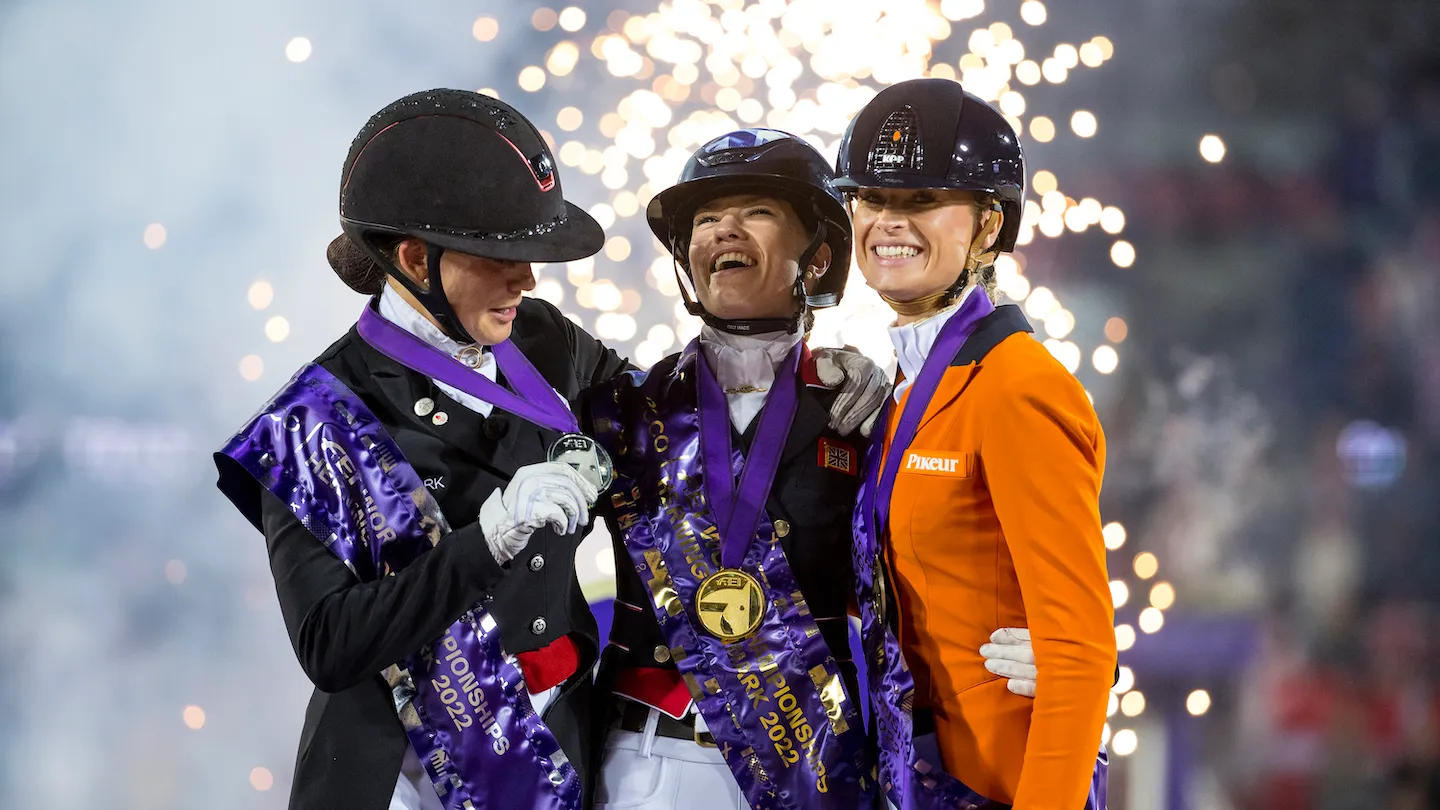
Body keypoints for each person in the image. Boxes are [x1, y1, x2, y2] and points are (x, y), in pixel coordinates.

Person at [214, 90, 889, 810]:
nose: (529, 279)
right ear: (415, 258)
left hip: (558, 758)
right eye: (504, 256)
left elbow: (681, 413)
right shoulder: (312, 420)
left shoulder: (540, 339)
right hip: (407, 777)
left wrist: (829, 372)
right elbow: (331, 644)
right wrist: (491, 538)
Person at [583, 128, 1039, 810]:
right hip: (646, 761)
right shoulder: (622, 410)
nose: (724, 229)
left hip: (807, 768)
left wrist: (1044, 642)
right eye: (706, 220)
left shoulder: (862, 418)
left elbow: (923, 571)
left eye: (756, 212)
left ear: (820, 257)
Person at [840, 79, 1115, 810]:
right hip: (913, 782)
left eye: (922, 201)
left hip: (1001, 786)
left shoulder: (1019, 386)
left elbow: (1081, 653)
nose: (888, 222)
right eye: (871, 199)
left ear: (988, 227)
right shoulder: (905, 388)